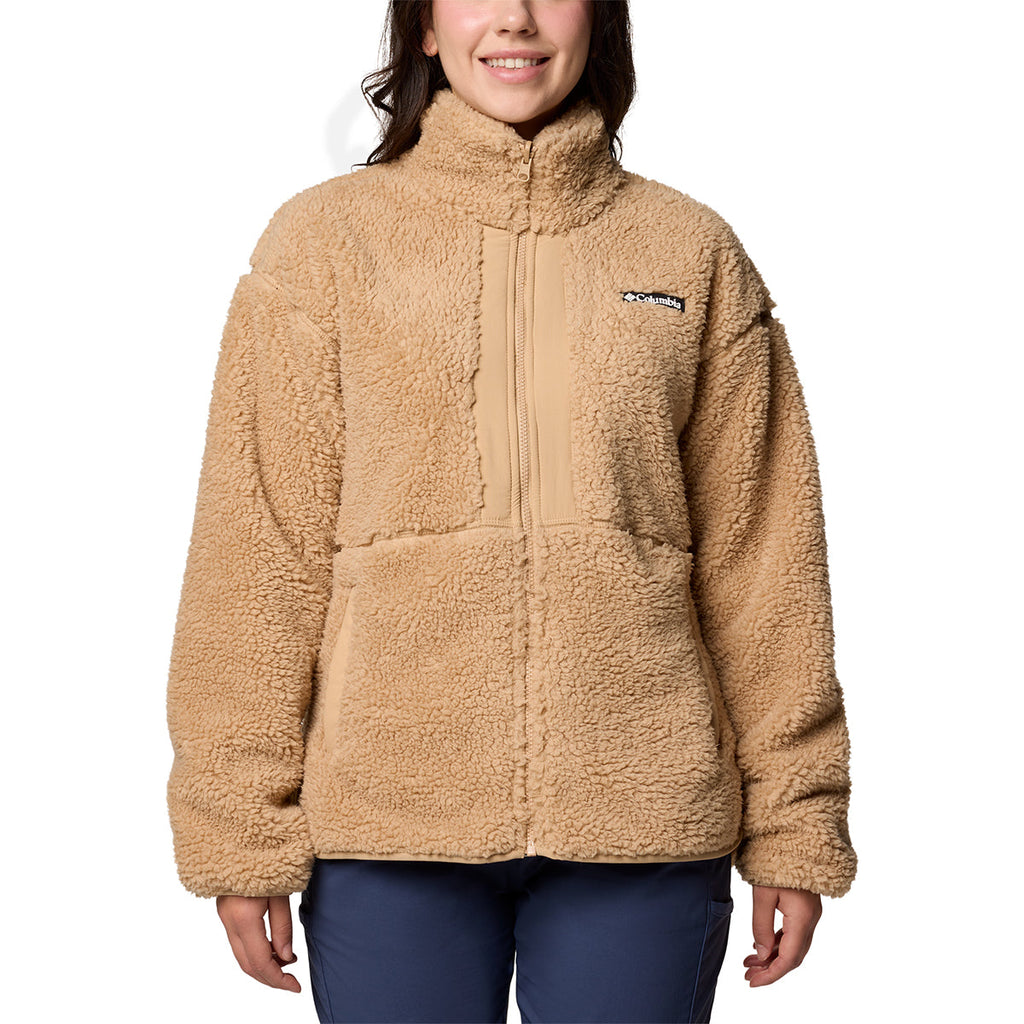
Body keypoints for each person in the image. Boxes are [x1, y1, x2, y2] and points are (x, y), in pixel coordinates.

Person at [165, 2, 858, 1021]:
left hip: (645, 816)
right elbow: (258, 550)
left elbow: (767, 559)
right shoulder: (323, 245)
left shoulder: (690, 250)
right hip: (387, 818)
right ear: (424, 28)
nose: (516, 19)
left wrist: (796, 822)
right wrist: (238, 825)